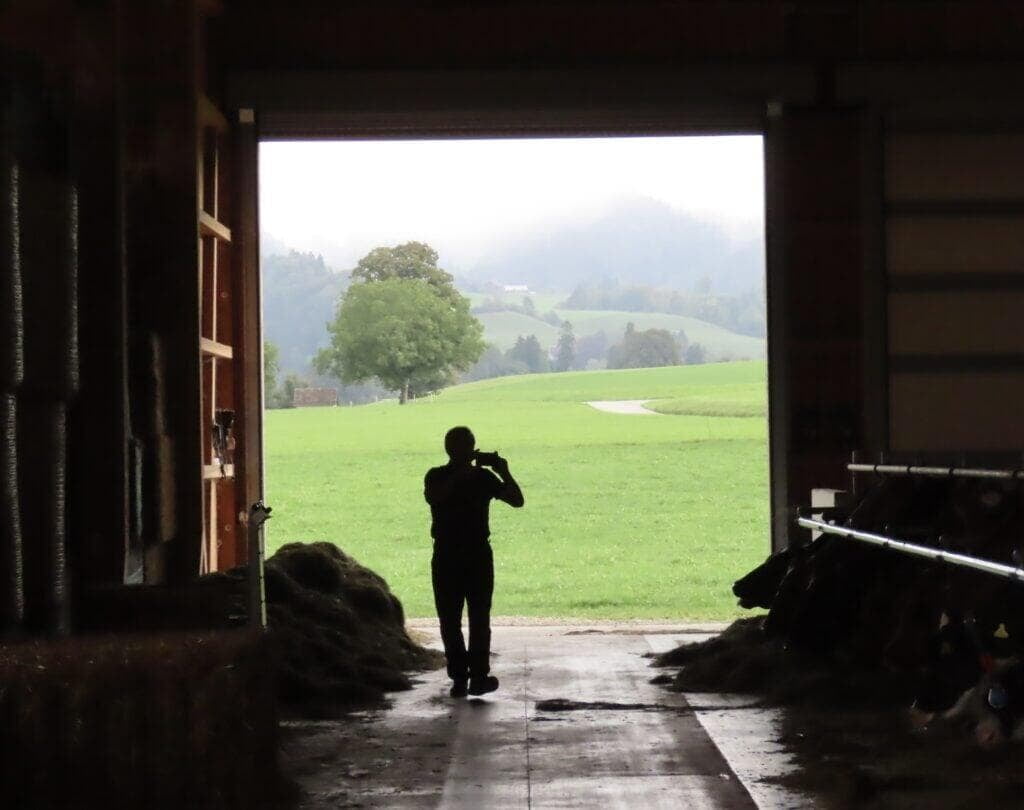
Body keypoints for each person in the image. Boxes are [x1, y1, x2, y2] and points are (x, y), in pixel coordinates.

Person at [424, 426, 524, 697]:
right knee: (476, 617)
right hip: (474, 554)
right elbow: (436, 497)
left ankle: (461, 677)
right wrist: (499, 472)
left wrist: (501, 470)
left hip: (448, 555)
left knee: (452, 618)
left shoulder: (441, 475)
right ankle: (476, 676)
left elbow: (517, 501)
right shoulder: (463, 477)